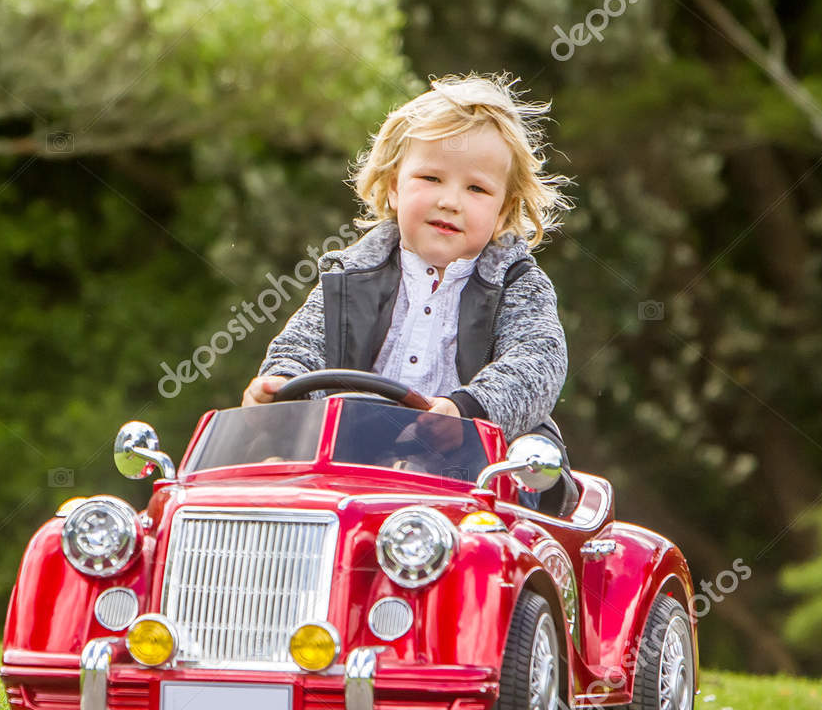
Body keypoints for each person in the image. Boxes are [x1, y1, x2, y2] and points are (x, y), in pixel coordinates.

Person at [245, 72, 576, 513]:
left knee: (493, 490)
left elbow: (539, 360)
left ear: (503, 213)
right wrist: (281, 384)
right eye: (431, 178)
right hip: (356, 461)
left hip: (481, 471)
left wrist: (466, 410)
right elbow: (302, 347)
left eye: (476, 188)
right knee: (265, 476)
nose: (451, 200)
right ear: (394, 187)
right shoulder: (350, 275)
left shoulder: (514, 281)